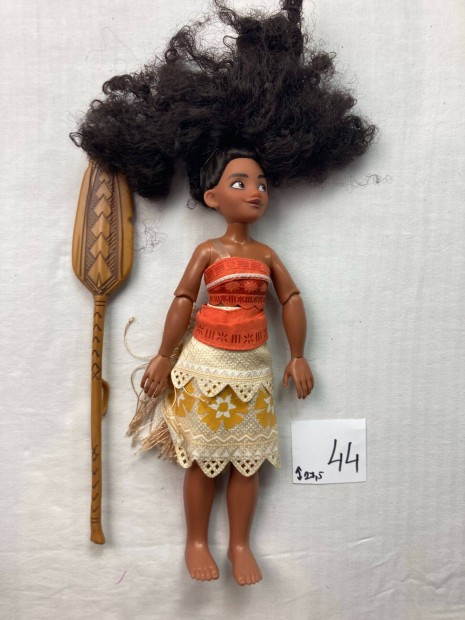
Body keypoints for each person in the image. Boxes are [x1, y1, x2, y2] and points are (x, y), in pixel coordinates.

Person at [72, 0, 375, 585]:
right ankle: (195, 540)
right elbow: (183, 302)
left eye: (260, 182)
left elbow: (290, 300)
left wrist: (299, 355)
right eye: (240, 182)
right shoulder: (208, 252)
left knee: (248, 461)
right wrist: (164, 356)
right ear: (212, 197)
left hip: (254, 369)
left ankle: (239, 543)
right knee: (204, 460)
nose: (255, 191)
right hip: (206, 365)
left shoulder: (267, 256)